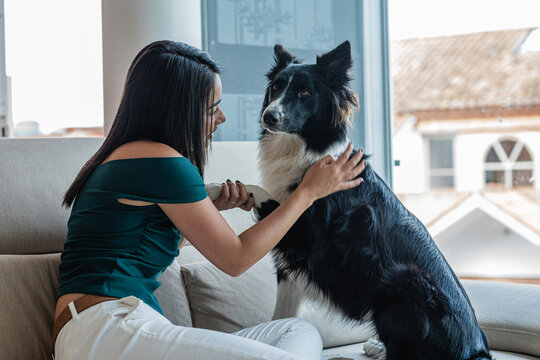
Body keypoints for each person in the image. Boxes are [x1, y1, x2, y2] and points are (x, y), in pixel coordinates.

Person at [53, 40, 366, 360]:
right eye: (211, 109)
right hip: (108, 328)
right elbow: (236, 260)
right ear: (177, 110)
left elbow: (149, 251)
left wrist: (202, 211)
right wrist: (307, 194)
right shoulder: (162, 162)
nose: (222, 118)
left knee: (297, 330)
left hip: (112, 328)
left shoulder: (133, 155)